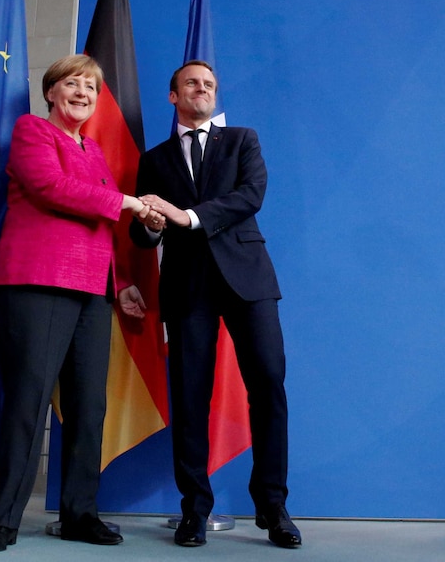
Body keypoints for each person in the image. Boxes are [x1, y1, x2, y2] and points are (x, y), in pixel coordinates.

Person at [0, 55, 165, 553]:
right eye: (72, 84)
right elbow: (49, 187)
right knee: (28, 400)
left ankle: (80, 514)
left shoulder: (97, 152)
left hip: (92, 288)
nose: (83, 92)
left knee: (88, 406)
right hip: (37, 281)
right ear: (52, 94)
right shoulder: (32, 132)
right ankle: (5, 522)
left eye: (91, 87)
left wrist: (120, 281)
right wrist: (127, 202)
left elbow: (100, 224)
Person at [129, 60, 301, 549]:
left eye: (209, 85)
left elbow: (251, 196)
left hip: (249, 280)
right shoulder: (154, 159)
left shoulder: (243, 140)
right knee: (189, 399)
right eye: (192, 83)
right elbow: (140, 234)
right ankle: (193, 511)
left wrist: (184, 216)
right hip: (187, 287)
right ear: (173, 95)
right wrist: (151, 226)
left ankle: (273, 506)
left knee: (268, 385)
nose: (202, 89)